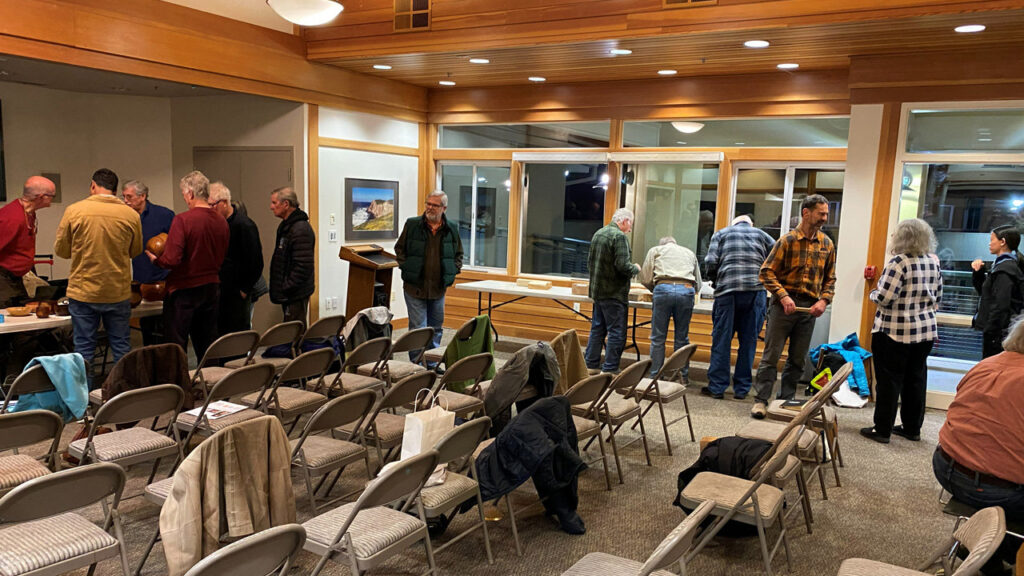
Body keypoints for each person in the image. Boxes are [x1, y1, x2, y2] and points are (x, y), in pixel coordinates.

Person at [934, 317, 1024, 576]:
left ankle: (985, 549)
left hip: (945, 465)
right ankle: (997, 550)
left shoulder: (986, 364)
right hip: (990, 488)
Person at [751, 194, 836, 419]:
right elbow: (766, 272)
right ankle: (761, 401)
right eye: (821, 213)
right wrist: (783, 296)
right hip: (783, 306)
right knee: (771, 356)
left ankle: (784, 402)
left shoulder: (827, 244)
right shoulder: (786, 241)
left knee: (797, 359)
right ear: (806, 213)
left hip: (809, 308)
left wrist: (823, 300)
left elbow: (830, 279)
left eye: (826, 214)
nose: (825, 218)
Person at [860, 219, 943, 443]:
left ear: (902, 237)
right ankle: (911, 428)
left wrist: (872, 293)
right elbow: (938, 297)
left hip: (894, 332)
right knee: (916, 379)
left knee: (889, 381)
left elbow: (885, 298)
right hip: (925, 332)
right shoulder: (933, 262)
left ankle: (882, 429)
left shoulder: (899, 262)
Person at [54, 168, 143, 374]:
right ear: (114, 189)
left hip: (84, 291)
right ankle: (122, 395)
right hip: (117, 291)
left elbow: (62, 250)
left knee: (84, 348)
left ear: (93, 185)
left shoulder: (74, 211)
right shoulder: (130, 214)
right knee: (121, 346)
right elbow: (135, 250)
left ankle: (83, 401)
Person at [150, 171, 229, 361]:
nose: (185, 198)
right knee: (208, 343)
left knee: (175, 346)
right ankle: (210, 385)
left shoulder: (182, 220)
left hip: (184, 290)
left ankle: (178, 387)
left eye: (184, 194)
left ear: (191, 194)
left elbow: (172, 259)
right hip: (211, 287)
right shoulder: (221, 221)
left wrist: (156, 260)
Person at [703, 215, 775, 399]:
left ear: (733, 224)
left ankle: (717, 387)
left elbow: (710, 262)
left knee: (721, 340)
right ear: (751, 224)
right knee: (749, 342)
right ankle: (742, 389)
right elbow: (777, 259)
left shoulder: (721, 234)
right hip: (755, 292)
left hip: (728, 291)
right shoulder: (762, 235)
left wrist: (715, 279)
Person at [395, 190, 463, 362]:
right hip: (414, 286)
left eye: (435, 205)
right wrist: (406, 267)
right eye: (428, 204)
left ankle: (432, 362)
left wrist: (453, 271)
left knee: (436, 327)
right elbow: (399, 249)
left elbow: (458, 254)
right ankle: (417, 364)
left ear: (444, 208)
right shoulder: (412, 225)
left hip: (438, 288)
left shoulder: (451, 228)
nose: (430, 208)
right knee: (418, 328)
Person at [584, 208, 639, 374]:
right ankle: (610, 369)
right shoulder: (619, 237)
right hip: (614, 294)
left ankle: (591, 365)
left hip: (598, 292)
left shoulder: (598, 233)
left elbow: (589, 263)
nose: (630, 229)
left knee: (597, 329)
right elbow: (623, 266)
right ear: (624, 221)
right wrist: (635, 268)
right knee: (616, 332)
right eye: (630, 225)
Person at [638, 236, 701, 380]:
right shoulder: (689, 252)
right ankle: (680, 376)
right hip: (686, 289)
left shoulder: (655, 250)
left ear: (662, 244)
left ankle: (655, 376)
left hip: (663, 288)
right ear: (675, 243)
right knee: (682, 338)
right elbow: (698, 283)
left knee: (658, 338)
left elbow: (645, 278)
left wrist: (657, 289)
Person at [121, 179, 174, 345]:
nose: (125, 201)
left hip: (164, 281)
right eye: (123, 197)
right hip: (140, 283)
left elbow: (177, 245)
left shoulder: (164, 215)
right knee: (147, 333)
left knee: (166, 332)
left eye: (129, 197)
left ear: (142, 196)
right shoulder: (125, 218)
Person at [209, 182, 263, 333]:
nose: (210, 209)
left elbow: (256, 261)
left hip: (238, 292)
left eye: (212, 205)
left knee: (236, 333)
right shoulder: (217, 225)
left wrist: (244, 289)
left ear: (224, 203)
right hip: (221, 290)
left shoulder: (244, 225)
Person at [0, 176, 55, 307]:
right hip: (3, 280)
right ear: (41, 197)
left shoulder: (28, 213)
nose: (53, 199)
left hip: (16, 278)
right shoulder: (11, 218)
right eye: (52, 195)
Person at [971, 224, 1024, 358]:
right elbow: (987, 295)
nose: (989, 243)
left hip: (998, 333)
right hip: (1001, 331)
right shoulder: (1004, 266)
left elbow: (1001, 305)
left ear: (1003, 242)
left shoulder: (1005, 270)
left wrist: (991, 331)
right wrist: (978, 274)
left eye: (992, 239)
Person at [269, 186, 315, 324]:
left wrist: (286, 286)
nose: (271, 207)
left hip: (295, 294)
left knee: (294, 333)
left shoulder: (300, 229)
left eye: (274, 203)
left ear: (286, 204)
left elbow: (303, 266)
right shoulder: (286, 227)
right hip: (290, 293)